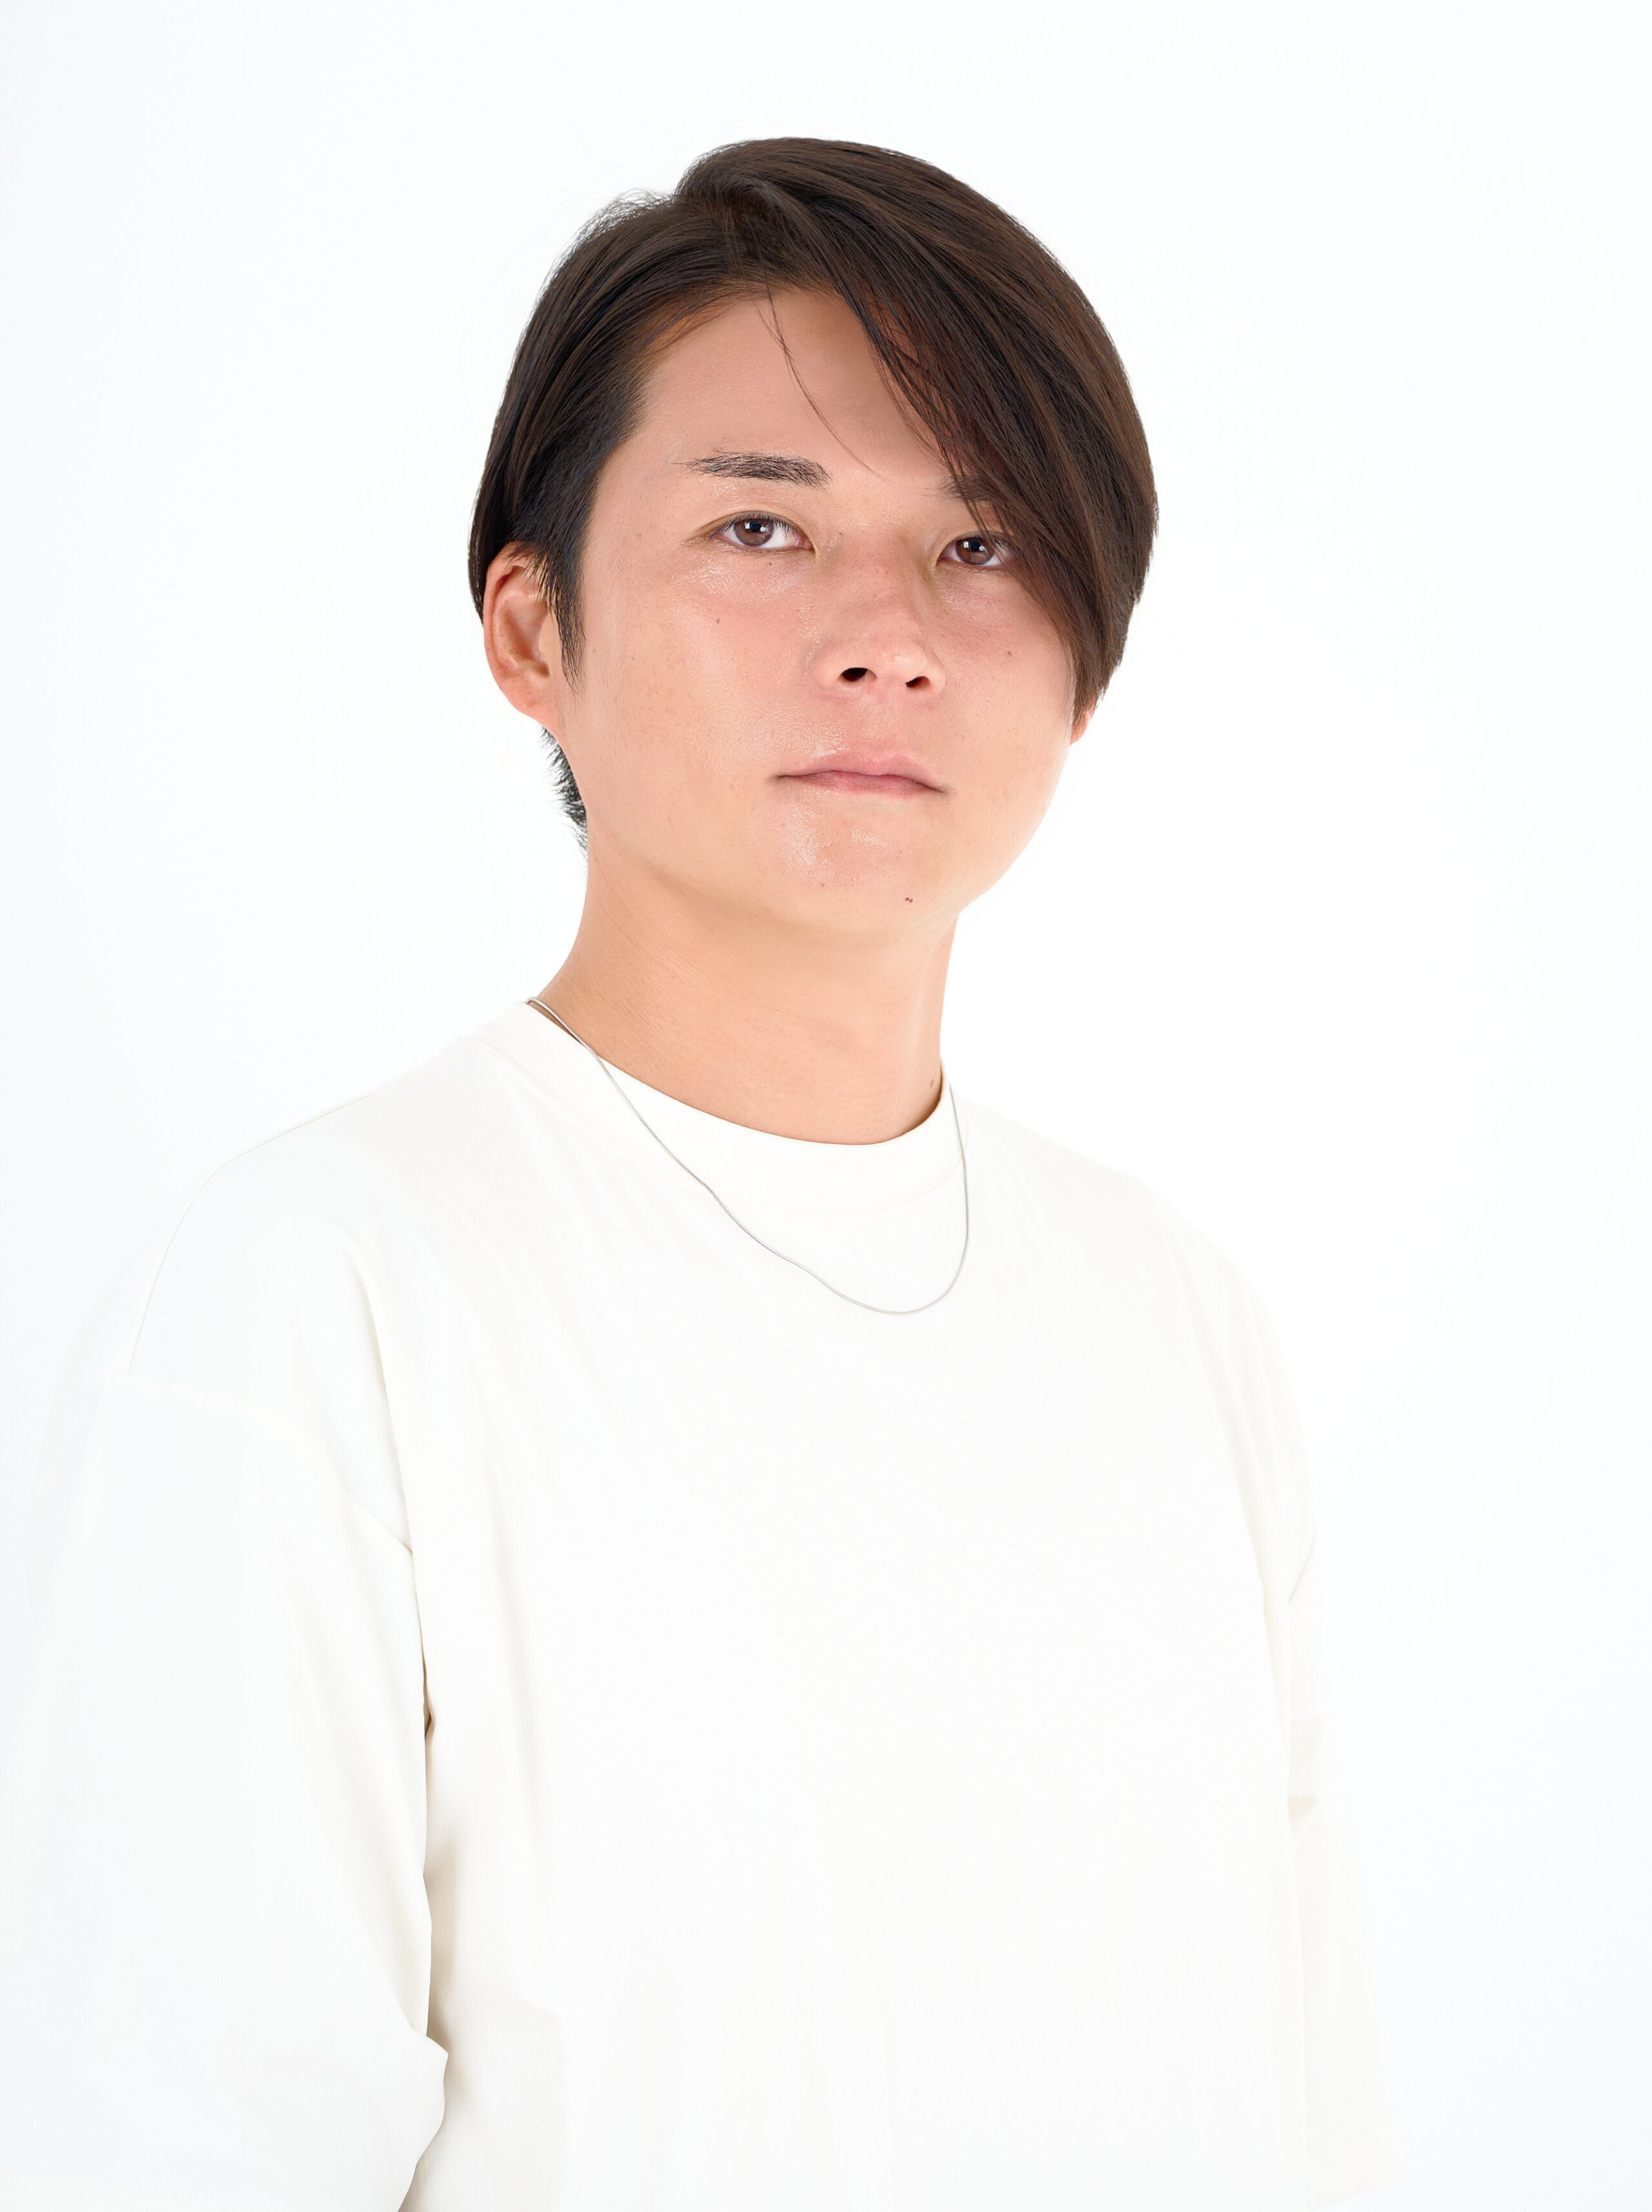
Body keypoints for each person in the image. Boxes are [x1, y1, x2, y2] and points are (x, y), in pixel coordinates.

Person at [0, 139, 1400, 2209]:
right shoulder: (315, 1304)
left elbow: (1308, 2115)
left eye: (985, 544)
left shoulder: (1176, 1320)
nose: (886, 639)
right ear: (530, 625)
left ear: (1087, 667)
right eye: (761, 526)